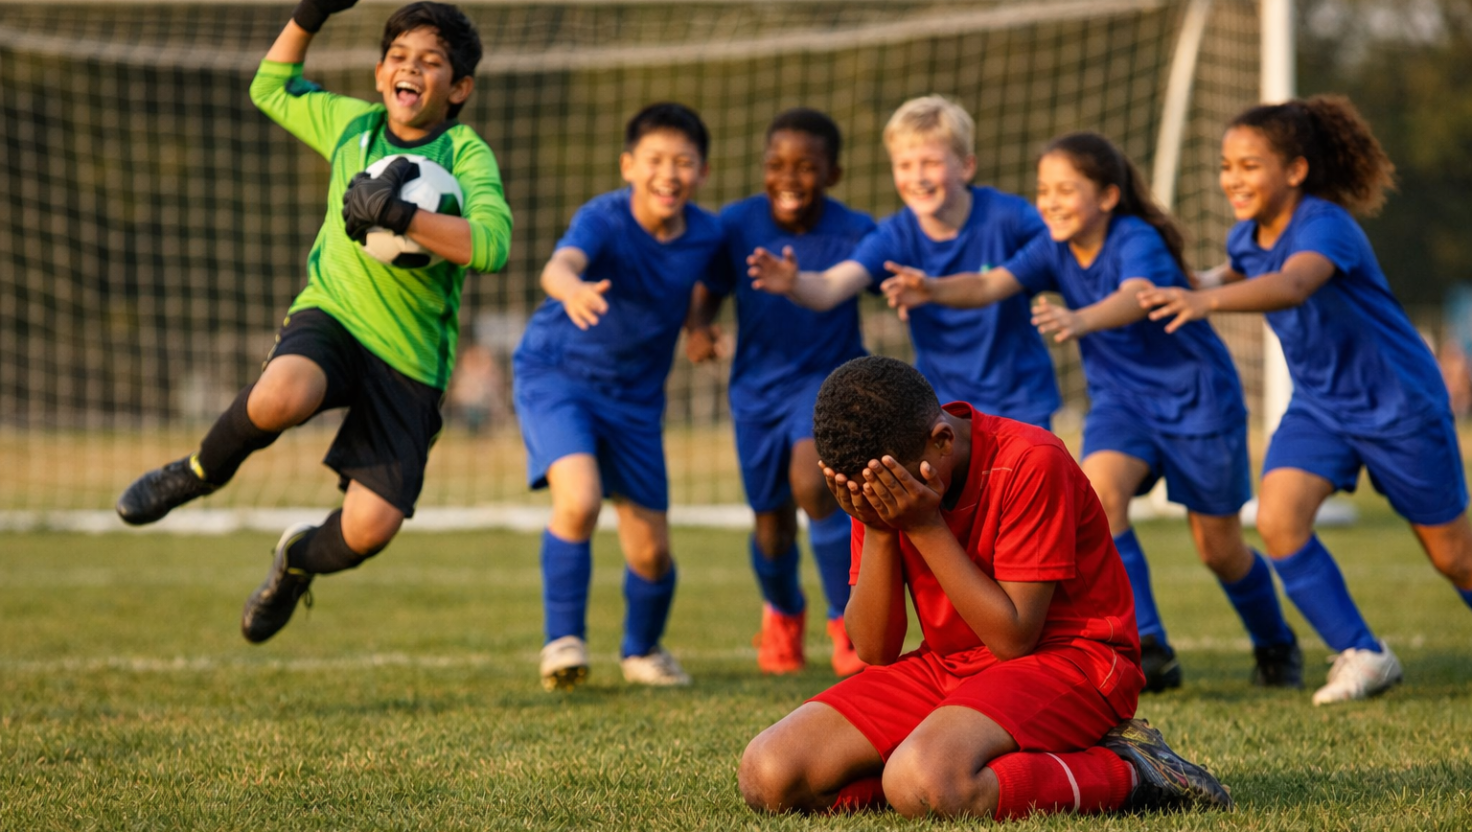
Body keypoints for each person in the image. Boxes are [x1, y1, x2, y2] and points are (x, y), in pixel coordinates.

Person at [114, 0, 512, 645]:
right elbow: (269, 85)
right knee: (281, 393)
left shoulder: (466, 154)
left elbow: (493, 245)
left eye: (431, 62)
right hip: (333, 313)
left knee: (369, 530)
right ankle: (195, 472)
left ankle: (294, 564)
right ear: (380, 73)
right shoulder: (353, 127)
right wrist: (310, 14)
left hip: (409, 363)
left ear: (458, 87)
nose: (411, 69)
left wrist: (402, 218)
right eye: (399, 58)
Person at [882, 132, 1301, 693]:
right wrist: (930, 286)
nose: (1049, 201)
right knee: (1101, 496)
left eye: (1064, 189)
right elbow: (988, 283)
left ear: (1106, 197)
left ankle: (1276, 642)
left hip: (1196, 401)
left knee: (1219, 548)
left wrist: (1080, 320)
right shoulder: (1052, 247)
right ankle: (1147, 645)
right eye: (1042, 190)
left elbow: (1138, 293)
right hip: (1121, 404)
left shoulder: (1135, 237)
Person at [738, 356, 1232, 819]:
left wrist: (925, 527)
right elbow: (874, 648)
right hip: (953, 665)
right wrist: (882, 529)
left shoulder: (1029, 460)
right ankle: (927, 766)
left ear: (942, 440)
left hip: (1072, 660)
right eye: (873, 496)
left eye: (894, 491)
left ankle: (1133, 771)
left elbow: (1015, 637)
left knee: (927, 779)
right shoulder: (884, 474)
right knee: (768, 773)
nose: (888, 501)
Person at [1140, 95, 1472, 704]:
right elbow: (1233, 271)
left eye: (1249, 165)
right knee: (1277, 520)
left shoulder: (1325, 224)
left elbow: (1293, 283)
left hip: (1399, 404)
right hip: (1321, 407)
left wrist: (1204, 302)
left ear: (1295, 170)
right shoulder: (1246, 235)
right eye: (1226, 165)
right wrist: (1182, 284)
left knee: (1455, 557)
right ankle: (1364, 653)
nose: (1232, 179)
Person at [514, 102, 724, 691]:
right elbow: (558, 267)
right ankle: (563, 643)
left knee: (652, 554)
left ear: (702, 172)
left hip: (636, 400)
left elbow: (712, 285)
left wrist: (700, 326)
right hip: (559, 375)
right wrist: (572, 289)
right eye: (655, 159)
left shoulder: (708, 233)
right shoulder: (602, 218)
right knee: (578, 501)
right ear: (629, 165)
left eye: (683, 161)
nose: (669, 173)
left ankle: (642, 650)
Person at [685, 109, 874, 677]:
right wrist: (698, 327)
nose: (789, 177)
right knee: (770, 523)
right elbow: (708, 286)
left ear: (833, 173)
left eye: (806, 166)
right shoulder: (738, 223)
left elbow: (891, 278)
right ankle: (783, 614)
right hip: (756, 392)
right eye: (776, 165)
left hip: (831, 383)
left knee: (814, 485)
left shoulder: (855, 230)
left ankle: (847, 623)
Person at [746, 95, 1060, 428]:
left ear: (966, 166)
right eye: (905, 165)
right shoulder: (896, 235)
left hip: (1020, 398)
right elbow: (831, 286)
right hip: (943, 404)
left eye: (931, 163)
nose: (918, 177)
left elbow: (1062, 243)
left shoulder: (1007, 216)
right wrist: (795, 283)